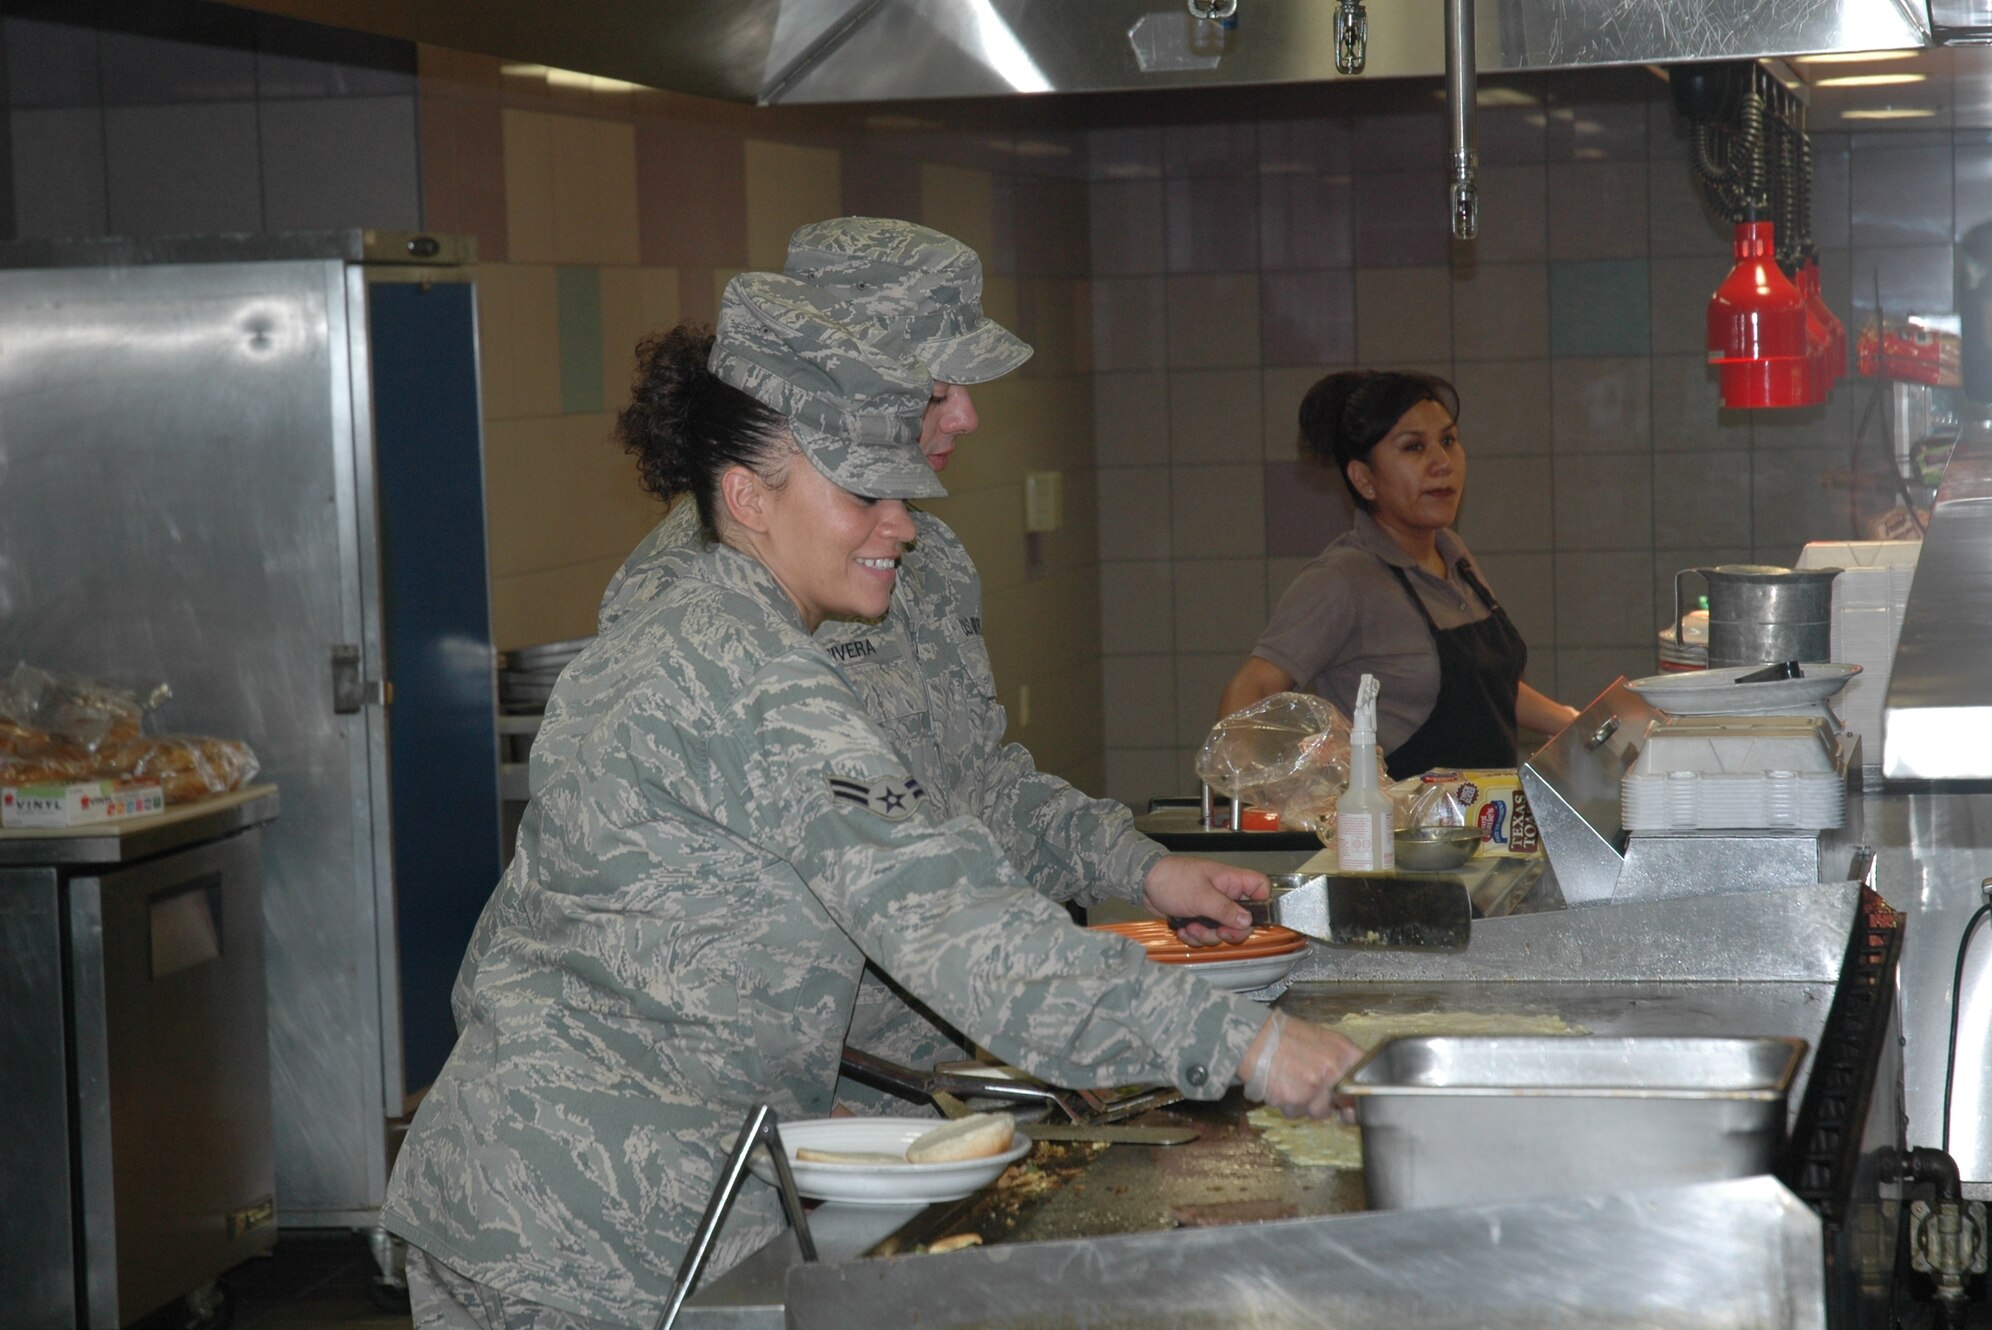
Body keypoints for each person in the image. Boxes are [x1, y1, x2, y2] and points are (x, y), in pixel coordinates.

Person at [382, 272, 1363, 1329]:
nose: (900, 525)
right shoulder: (754, 680)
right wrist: (1244, 1047)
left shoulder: (709, 638)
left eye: (900, 492)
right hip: (586, 1233)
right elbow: (954, 924)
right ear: (748, 496)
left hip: (544, 1197)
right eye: (861, 495)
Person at [600, 218, 1272, 1109]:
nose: (967, 415)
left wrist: (1140, 869)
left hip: (949, 1070)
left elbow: (972, 780)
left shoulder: (921, 556)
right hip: (799, 1103)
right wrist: (1234, 1045)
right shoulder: (702, 598)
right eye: (937, 385)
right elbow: (865, 891)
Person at [1219, 370, 1578, 779]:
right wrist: (1271, 792)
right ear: (1364, 479)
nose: (1442, 463)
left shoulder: (1452, 553)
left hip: (1482, 826)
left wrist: (1570, 722)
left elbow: (1485, 684)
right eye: (1414, 447)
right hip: (1397, 836)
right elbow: (1253, 689)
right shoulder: (1342, 577)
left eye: (1448, 440)